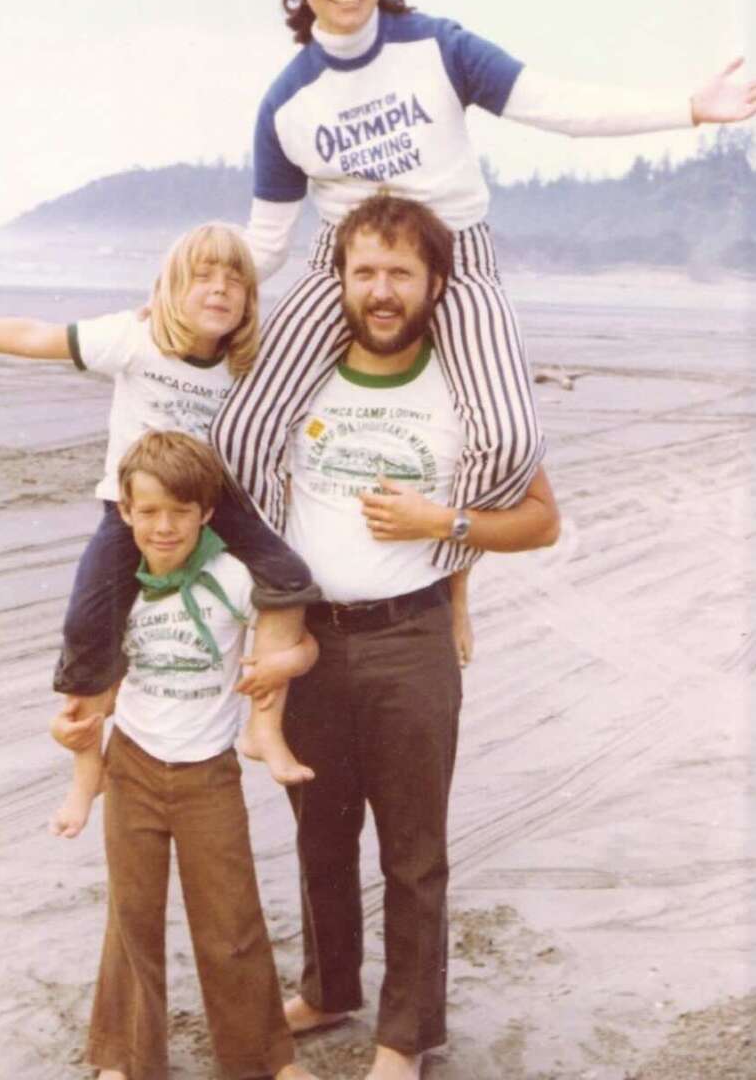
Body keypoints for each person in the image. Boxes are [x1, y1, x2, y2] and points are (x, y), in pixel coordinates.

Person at [212, 0, 756, 581]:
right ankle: (286, 586)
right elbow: (264, 245)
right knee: (239, 430)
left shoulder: (439, 46)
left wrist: (687, 109)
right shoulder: (285, 102)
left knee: (507, 440)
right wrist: (181, 299)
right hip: (347, 263)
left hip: (455, 255)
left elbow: (554, 105)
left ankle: (438, 579)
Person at [268, 194, 560, 1080]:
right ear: (341, 281)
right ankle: (330, 990)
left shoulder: (470, 388)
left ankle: (406, 1036)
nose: (382, 291)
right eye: (365, 272)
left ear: (435, 283)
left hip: (409, 639)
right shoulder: (302, 373)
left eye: (400, 273)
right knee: (319, 832)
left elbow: (541, 520)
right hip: (311, 642)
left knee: (411, 850)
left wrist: (447, 520)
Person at [0, 223, 319, 840]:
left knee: (288, 578)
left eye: (235, 280)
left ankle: (264, 726)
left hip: (214, 504)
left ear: (249, 301)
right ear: (170, 288)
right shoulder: (134, 337)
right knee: (88, 624)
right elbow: (37, 335)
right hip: (134, 509)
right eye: (202, 276)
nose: (220, 289)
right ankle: (85, 769)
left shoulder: (246, 361)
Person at [60, 429, 319, 1080]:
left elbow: (299, 642)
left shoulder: (233, 577)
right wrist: (76, 739)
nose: (164, 527)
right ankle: (124, 1058)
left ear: (207, 512)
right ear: (124, 513)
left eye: (180, 511)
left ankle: (261, 1057)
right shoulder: (121, 586)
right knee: (132, 917)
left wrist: (285, 660)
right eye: (147, 512)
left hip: (208, 771)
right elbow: (97, 686)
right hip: (134, 768)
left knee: (230, 919)